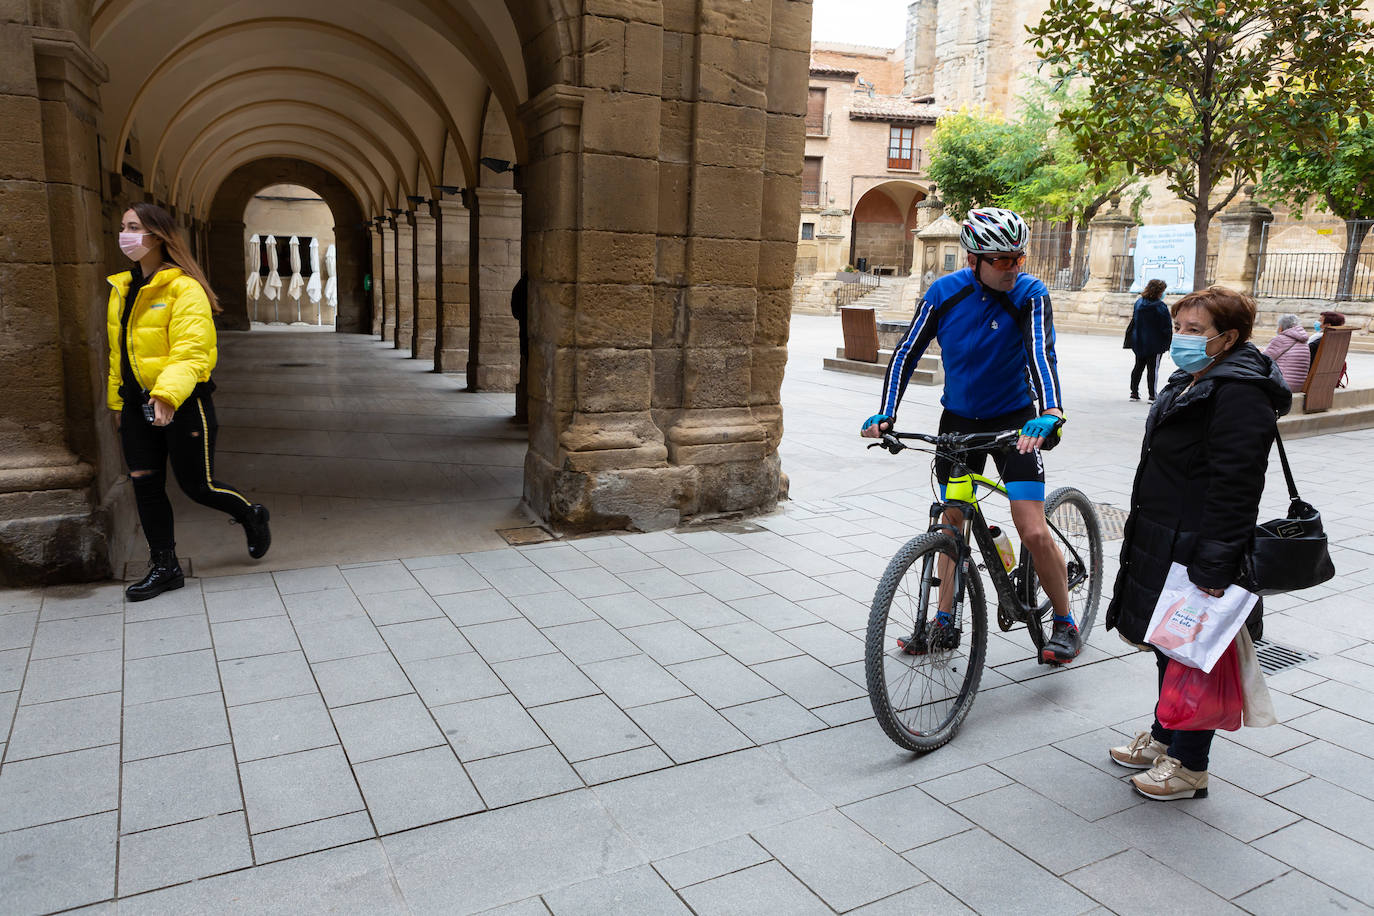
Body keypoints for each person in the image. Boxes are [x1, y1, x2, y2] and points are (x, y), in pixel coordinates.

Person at [861, 207, 1079, 663]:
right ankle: (942, 622)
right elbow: (906, 354)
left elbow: (1042, 353)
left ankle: (1064, 621)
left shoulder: (1030, 293)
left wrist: (1051, 412)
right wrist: (886, 412)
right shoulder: (944, 293)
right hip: (957, 424)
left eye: (1018, 257)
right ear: (974, 257)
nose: (1014, 267)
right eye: (1002, 259)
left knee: (1032, 528)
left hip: (1016, 424)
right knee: (952, 520)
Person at [1105, 286, 1290, 800]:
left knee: (1193, 654)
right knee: (1169, 647)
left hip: (1198, 547)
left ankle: (1190, 766)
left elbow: (1237, 485)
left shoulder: (1239, 392)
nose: (1181, 339)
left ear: (1228, 338)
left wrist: (1214, 565)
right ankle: (1166, 737)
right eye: (1179, 328)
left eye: (1194, 331)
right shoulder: (1194, 377)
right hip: (1165, 538)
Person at [108, 203, 271, 601]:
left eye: (134, 228)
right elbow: (119, 354)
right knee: (145, 485)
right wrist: (118, 401)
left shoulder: (184, 288)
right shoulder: (123, 288)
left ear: (157, 237)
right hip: (136, 406)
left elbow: (192, 351)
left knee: (199, 486)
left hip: (182, 404)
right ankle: (165, 567)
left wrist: (165, 395)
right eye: (124, 227)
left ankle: (250, 514)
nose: (125, 235)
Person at [1126, 279, 1171, 401]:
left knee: (1138, 367)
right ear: (1159, 291)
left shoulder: (1139, 303)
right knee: (1153, 369)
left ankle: (1134, 393)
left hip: (1139, 341)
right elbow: (1166, 327)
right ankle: (1152, 395)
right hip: (1155, 343)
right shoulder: (1160, 307)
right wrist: (1168, 342)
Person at [1262, 313, 1310, 392]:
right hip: (1298, 386)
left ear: (1280, 328)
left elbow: (1263, 359)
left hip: (1283, 385)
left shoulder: (1281, 339)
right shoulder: (1304, 341)